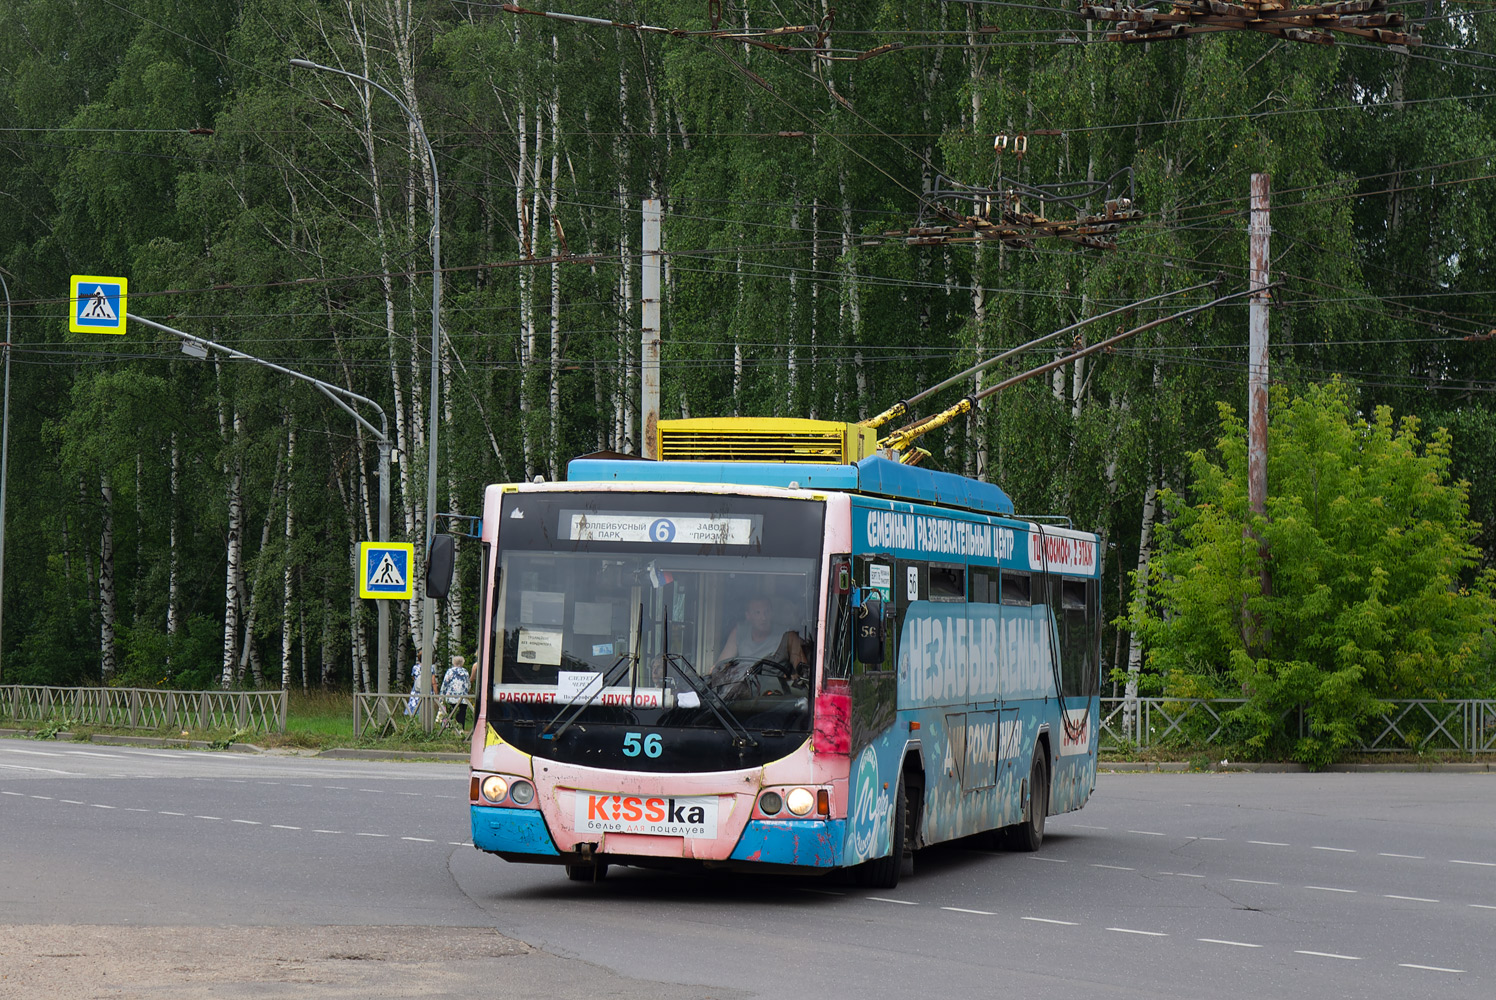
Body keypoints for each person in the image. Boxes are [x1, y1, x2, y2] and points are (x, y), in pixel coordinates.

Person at [714, 597, 807, 694]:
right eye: (757, 613)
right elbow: (721, 666)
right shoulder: (740, 632)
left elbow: (803, 674)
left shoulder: (788, 635)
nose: (763, 618)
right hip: (741, 695)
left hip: (774, 696)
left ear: (772, 613)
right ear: (748, 616)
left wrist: (791, 680)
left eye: (766, 612)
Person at [440, 655, 474, 731]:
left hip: (451, 698)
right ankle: (460, 730)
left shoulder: (450, 671)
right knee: (461, 715)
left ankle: (449, 730)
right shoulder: (465, 672)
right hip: (463, 698)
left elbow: (445, 683)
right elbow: (468, 685)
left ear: (453, 662)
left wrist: (442, 694)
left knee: (450, 715)